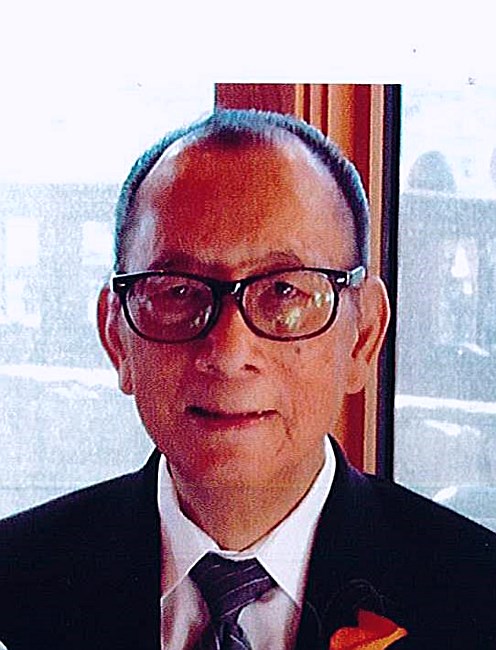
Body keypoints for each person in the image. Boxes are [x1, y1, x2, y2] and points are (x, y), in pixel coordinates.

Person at [0, 109, 495, 650]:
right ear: (116, 336)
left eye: (284, 291)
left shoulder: (477, 599)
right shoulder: (17, 582)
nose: (229, 353)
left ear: (363, 336)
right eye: (177, 291)